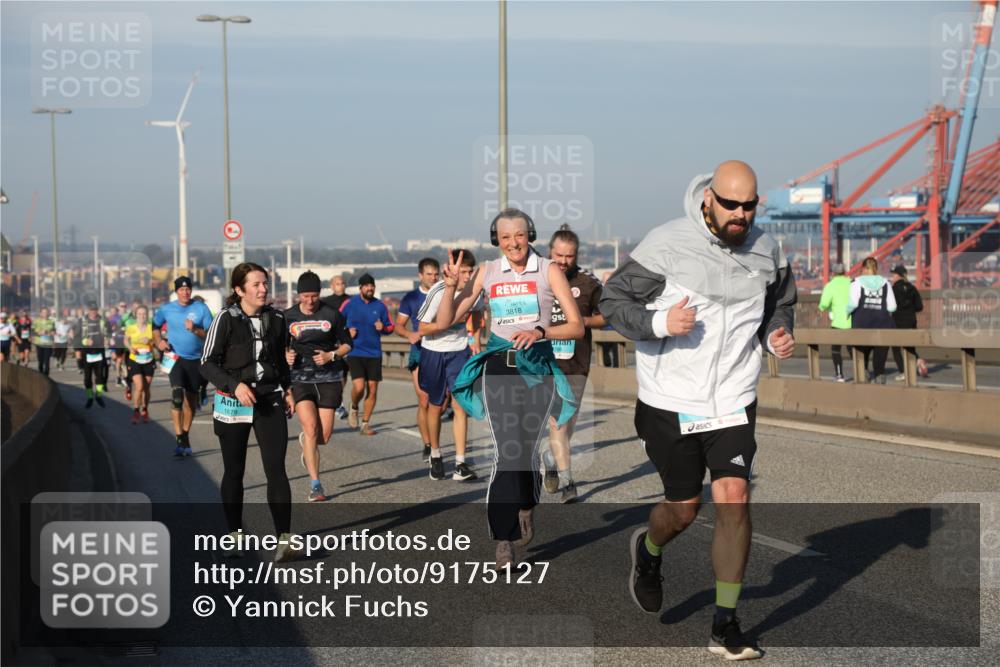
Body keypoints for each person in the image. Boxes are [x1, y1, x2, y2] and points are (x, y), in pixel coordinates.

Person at [600, 161, 796, 660]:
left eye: (749, 206)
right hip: (670, 401)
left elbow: (780, 302)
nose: (740, 215)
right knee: (684, 511)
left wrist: (776, 332)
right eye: (730, 204)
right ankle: (648, 550)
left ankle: (725, 626)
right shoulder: (666, 244)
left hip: (732, 399)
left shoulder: (767, 250)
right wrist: (661, 321)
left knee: (734, 500)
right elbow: (614, 301)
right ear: (708, 198)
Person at [434, 208, 583, 568]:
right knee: (506, 452)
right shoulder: (487, 272)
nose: (513, 243)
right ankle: (504, 540)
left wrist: (540, 332)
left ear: (529, 234)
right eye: (505, 237)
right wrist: (452, 285)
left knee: (526, 451)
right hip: (500, 368)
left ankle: (526, 504)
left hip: (538, 371)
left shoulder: (548, 270)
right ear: (496, 241)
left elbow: (576, 326)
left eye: (519, 235)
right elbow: (444, 321)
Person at [200, 262, 300, 563]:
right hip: (233, 401)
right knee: (234, 470)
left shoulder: (277, 319)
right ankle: (234, 535)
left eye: (265, 283)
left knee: (276, 469)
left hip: (269, 398)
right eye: (256, 284)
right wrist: (234, 386)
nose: (263, 289)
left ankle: (284, 539)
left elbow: (281, 361)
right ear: (239, 289)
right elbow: (206, 363)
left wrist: (288, 388)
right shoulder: (225, 320)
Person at [544, 225, 606, 503]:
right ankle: (569, 482)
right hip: (546, 363)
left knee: (568, 424)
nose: (563, 261)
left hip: (577, 363)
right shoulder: (540, 278)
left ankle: (551, 457)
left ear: (576, 255)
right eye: (559, 255)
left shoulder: (589, 283)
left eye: (569, 256)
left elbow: (605, 317)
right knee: (557, 422)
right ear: (550, 252)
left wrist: (578, 323)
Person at [284, 271, 353, 502]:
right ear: (299, 295)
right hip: (300, 380)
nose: (310, 300)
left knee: (323, 436)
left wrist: (331, 355)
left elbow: (347, 345)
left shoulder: (331, 314)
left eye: (314, 295)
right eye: (305, 295)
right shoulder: (287, 317)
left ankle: (308, 444)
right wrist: (286, 356)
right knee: (311, 427)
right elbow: (278, 348)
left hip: (329, 378)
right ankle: (316, 485)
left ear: (319, 294)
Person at [415, 250, 482, 482]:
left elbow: (478, 313)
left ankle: (461, 464)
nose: (466, 276)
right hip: (433, 352)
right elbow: (422, 329)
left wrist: (475, 338)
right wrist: (446, 323)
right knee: (436, 405)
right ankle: (435, 453)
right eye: (463, 271)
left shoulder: (475, 290)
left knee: (460, 405)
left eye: (469, 271)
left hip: (459, 351)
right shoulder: (438, 291)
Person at [153, 276, 214, 457]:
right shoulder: (167, 309)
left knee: (191, 402)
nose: (185, 292)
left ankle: (185, 433)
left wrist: (195, 329)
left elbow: (210, 335)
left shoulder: (201, 308)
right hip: (175, 357)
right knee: (177, 395)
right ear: (176, 291)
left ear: (191, 290)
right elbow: (155, 326)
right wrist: (159, 342)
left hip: (196, 360)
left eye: (188, 289)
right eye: (181, 289)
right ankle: (179, 436)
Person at [395, 258, 440, 460]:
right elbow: (398, 325)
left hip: (442, 350)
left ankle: (435, 442)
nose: (433, 277)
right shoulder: (411, 298)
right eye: (429, 274)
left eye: (436, 273)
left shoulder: (444, 293)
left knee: (439, 402)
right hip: (420, 351)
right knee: (424, 399)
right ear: (420, 275)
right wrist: (409, 335)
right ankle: (428, 444)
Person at [341, 273, 394, 436]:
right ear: (360, 288)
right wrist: (346, 332)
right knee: (359, 387)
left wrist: (383, 328)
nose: (370, 288)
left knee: (372, 389)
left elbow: (390, 326)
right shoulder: (349, 304)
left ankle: (365, 424)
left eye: (372, 286)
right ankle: (354, 407)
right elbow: (335, 323)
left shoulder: (380, 306)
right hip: (355, 351)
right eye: (367, 286)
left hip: (374, 353)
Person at [848, 256, 897, 384]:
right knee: (880, 366)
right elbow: (892, 307)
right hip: (882, 327)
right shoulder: (886, 283)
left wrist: (845, 314)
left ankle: (863, 382)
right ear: (876, 269)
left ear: (863, 268)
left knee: (861, 362)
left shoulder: (856, 283)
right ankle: (880, 387)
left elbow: (852, 304)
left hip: (861, 326)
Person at [889, 264, 927, 380]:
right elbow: (920, 307)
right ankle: (918, 360)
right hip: (911, 321)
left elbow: (891, 306)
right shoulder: (912, 288)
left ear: (899, 276)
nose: (892, 277)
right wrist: (910, 310)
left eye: (894, 274)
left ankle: (903, 372)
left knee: (896, 348)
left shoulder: (894, 288)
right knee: (909, 346)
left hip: (898, 321)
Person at [817, 262, 852, 382]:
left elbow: (824, 304)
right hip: (853, 323)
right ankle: (861, 372)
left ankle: (839, 374)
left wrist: (822, 308)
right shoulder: (851, 283)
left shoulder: (830, 286)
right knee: (853, 350)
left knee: (836, 350)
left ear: (833, 273)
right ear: (845, 272)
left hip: (838, 323)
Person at [75, 302, 111, 408]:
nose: (93, 312)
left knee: (100, 377)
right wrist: (85, 341)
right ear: (88, 310)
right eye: (91, 309)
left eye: (95, 309)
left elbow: (109, 333)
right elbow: (76, 337)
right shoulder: (82, 321)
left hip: (99, 352)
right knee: (87, 378)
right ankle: (90, 397)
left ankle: (98, 396)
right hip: (87, 353)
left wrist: (108, 339)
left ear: (97, 310)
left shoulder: (103, 321)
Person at [125, 305, 156, 424]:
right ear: (136, 315)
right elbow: (126, 340)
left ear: (147, 315)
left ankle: (145, 409)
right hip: (135, 359)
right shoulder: (131, 328)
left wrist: (150, 341)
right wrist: (130, 348)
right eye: (139, 314)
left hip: (148, 360)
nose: (142, 316)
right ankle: (136, 411)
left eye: (144, 314)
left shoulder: (151, 328)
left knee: (146, 388)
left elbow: (156, 342)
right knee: (139, 386)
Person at [31, 307, 56, 376]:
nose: (45, 314)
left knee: (47, 362)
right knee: (40, 362)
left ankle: (46, 377)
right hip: (39, 344)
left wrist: (52, 333)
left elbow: (54, 331)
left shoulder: (51, 321)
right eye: (43, 312)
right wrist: (38, 333)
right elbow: (32, 331)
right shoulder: (36, 321)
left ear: (48, 313)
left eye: (46, 312)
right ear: (40, 313)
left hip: (48, 344)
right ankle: (41, 374)